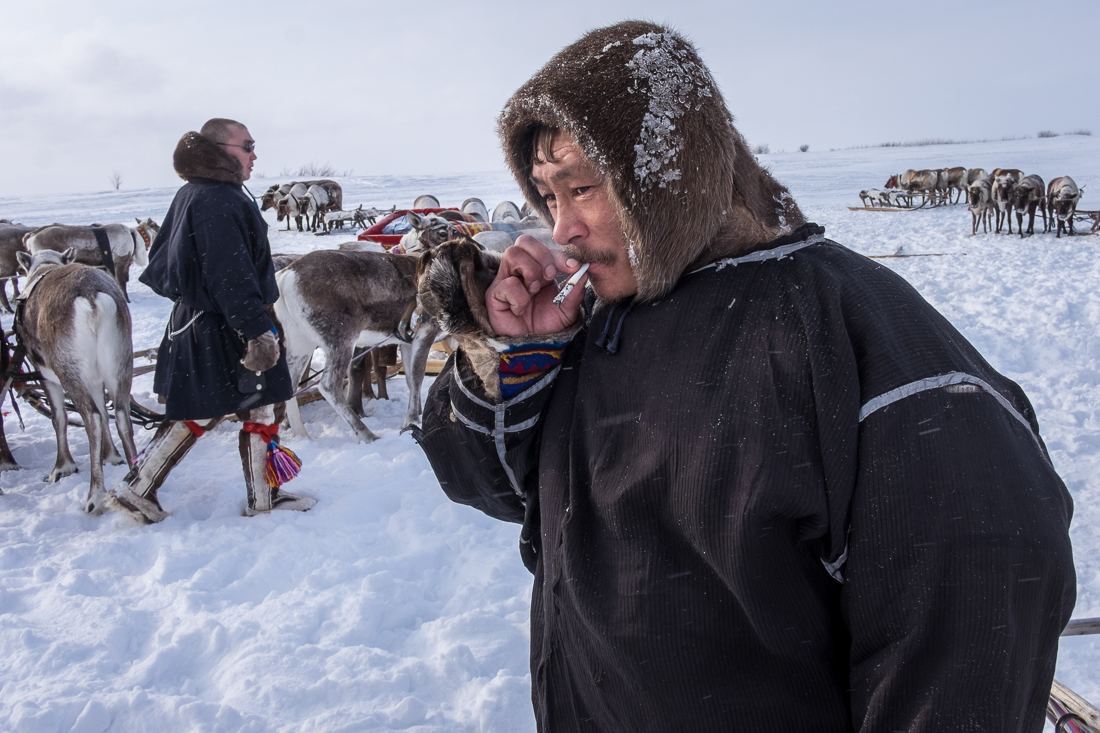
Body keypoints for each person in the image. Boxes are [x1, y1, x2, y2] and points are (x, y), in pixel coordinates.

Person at [413, 21, 1076, 732]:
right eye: (548, 195)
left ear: (667, 171)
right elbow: (489, 483)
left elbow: (980, 590)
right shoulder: (596, 321)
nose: (562, 227)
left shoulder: (841, 329)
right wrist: (517, 358)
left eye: (583, 187)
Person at [109, 118, 315, 524]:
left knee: (257, 409)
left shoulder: (198, 193)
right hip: (225, 325)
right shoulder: (218, 201)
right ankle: (138, 489)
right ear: (221, 150)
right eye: (248, 146)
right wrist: (257, 331)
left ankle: (263, 497)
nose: (255, 155)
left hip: (206, 319)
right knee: (207, 411)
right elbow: (230, 275)